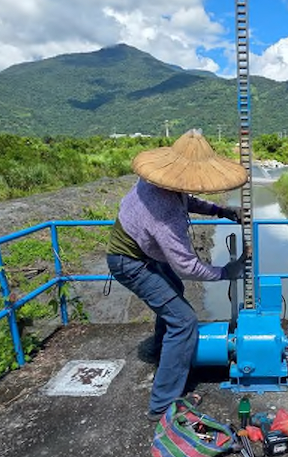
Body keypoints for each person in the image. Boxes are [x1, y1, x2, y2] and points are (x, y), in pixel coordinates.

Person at [106, 130, 249, 421]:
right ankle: (162, 405)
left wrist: (220, 211)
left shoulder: (157, 181)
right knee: (184, 321)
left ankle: (165, 354)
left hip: (143, 253)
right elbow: (187, 266)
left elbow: (188, 200)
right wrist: (226, 271)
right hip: (129, 262)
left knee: (173, 296)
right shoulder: (166, 214)